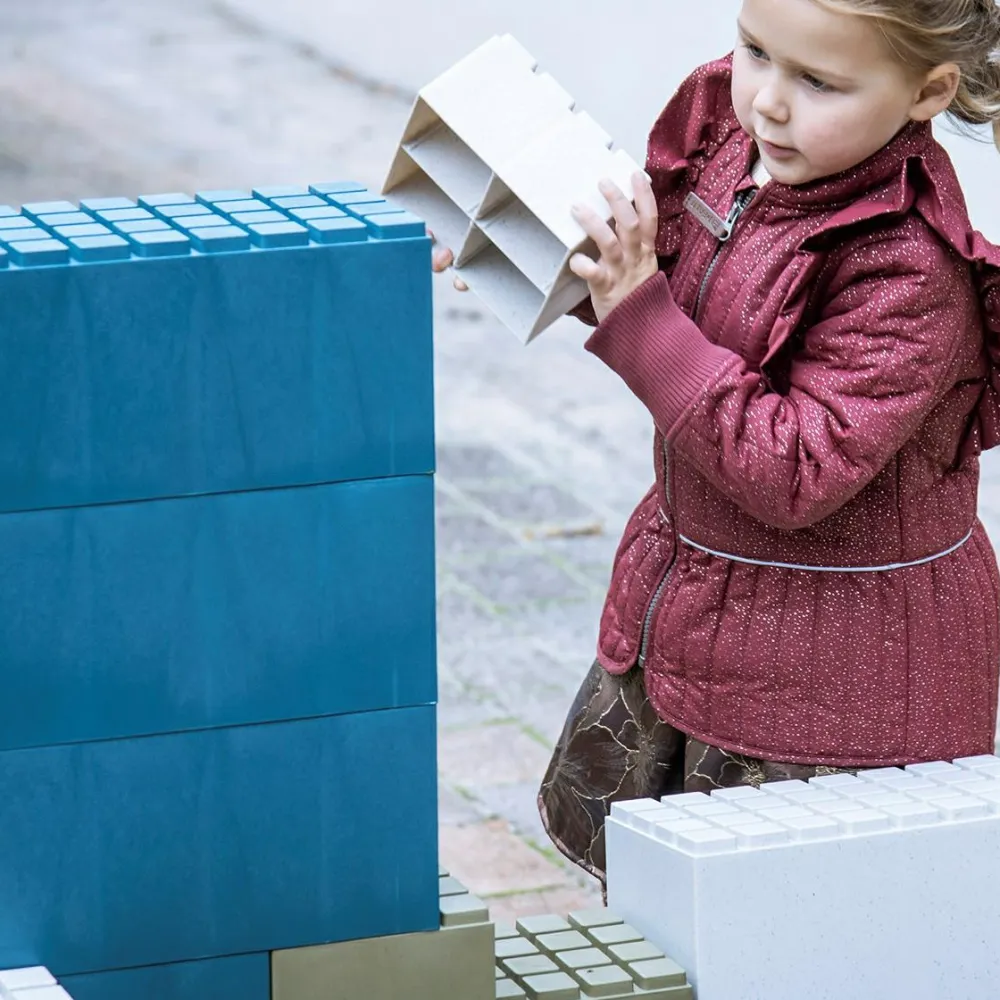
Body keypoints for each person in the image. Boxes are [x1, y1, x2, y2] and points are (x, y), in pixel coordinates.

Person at [431, 0, 1000, 894]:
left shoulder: (906, 268)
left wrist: (636, 314)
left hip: (840, 685)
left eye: (818, 81)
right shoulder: (738, 149)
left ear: (928, 90)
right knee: (679, 906)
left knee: (798, 922)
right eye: (756, 51)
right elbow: (661, 275)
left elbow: (795, 468)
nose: (769, 100)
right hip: (711, 601)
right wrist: (515, 235)